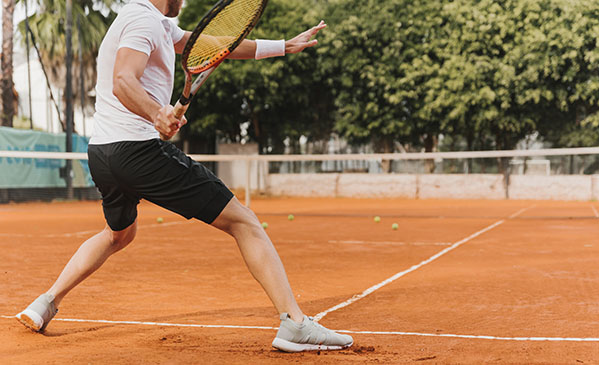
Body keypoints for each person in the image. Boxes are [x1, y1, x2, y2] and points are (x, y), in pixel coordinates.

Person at [15, 0, 353, 353]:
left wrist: (282, 46)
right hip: (138, 151)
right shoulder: (143, 22)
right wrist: (156, 113)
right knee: (244, 221)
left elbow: (219, 45)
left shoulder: (155, 24)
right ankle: (295, 324)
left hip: (102, 153)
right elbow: (122, 80)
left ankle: (46, 302)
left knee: (118, 235)